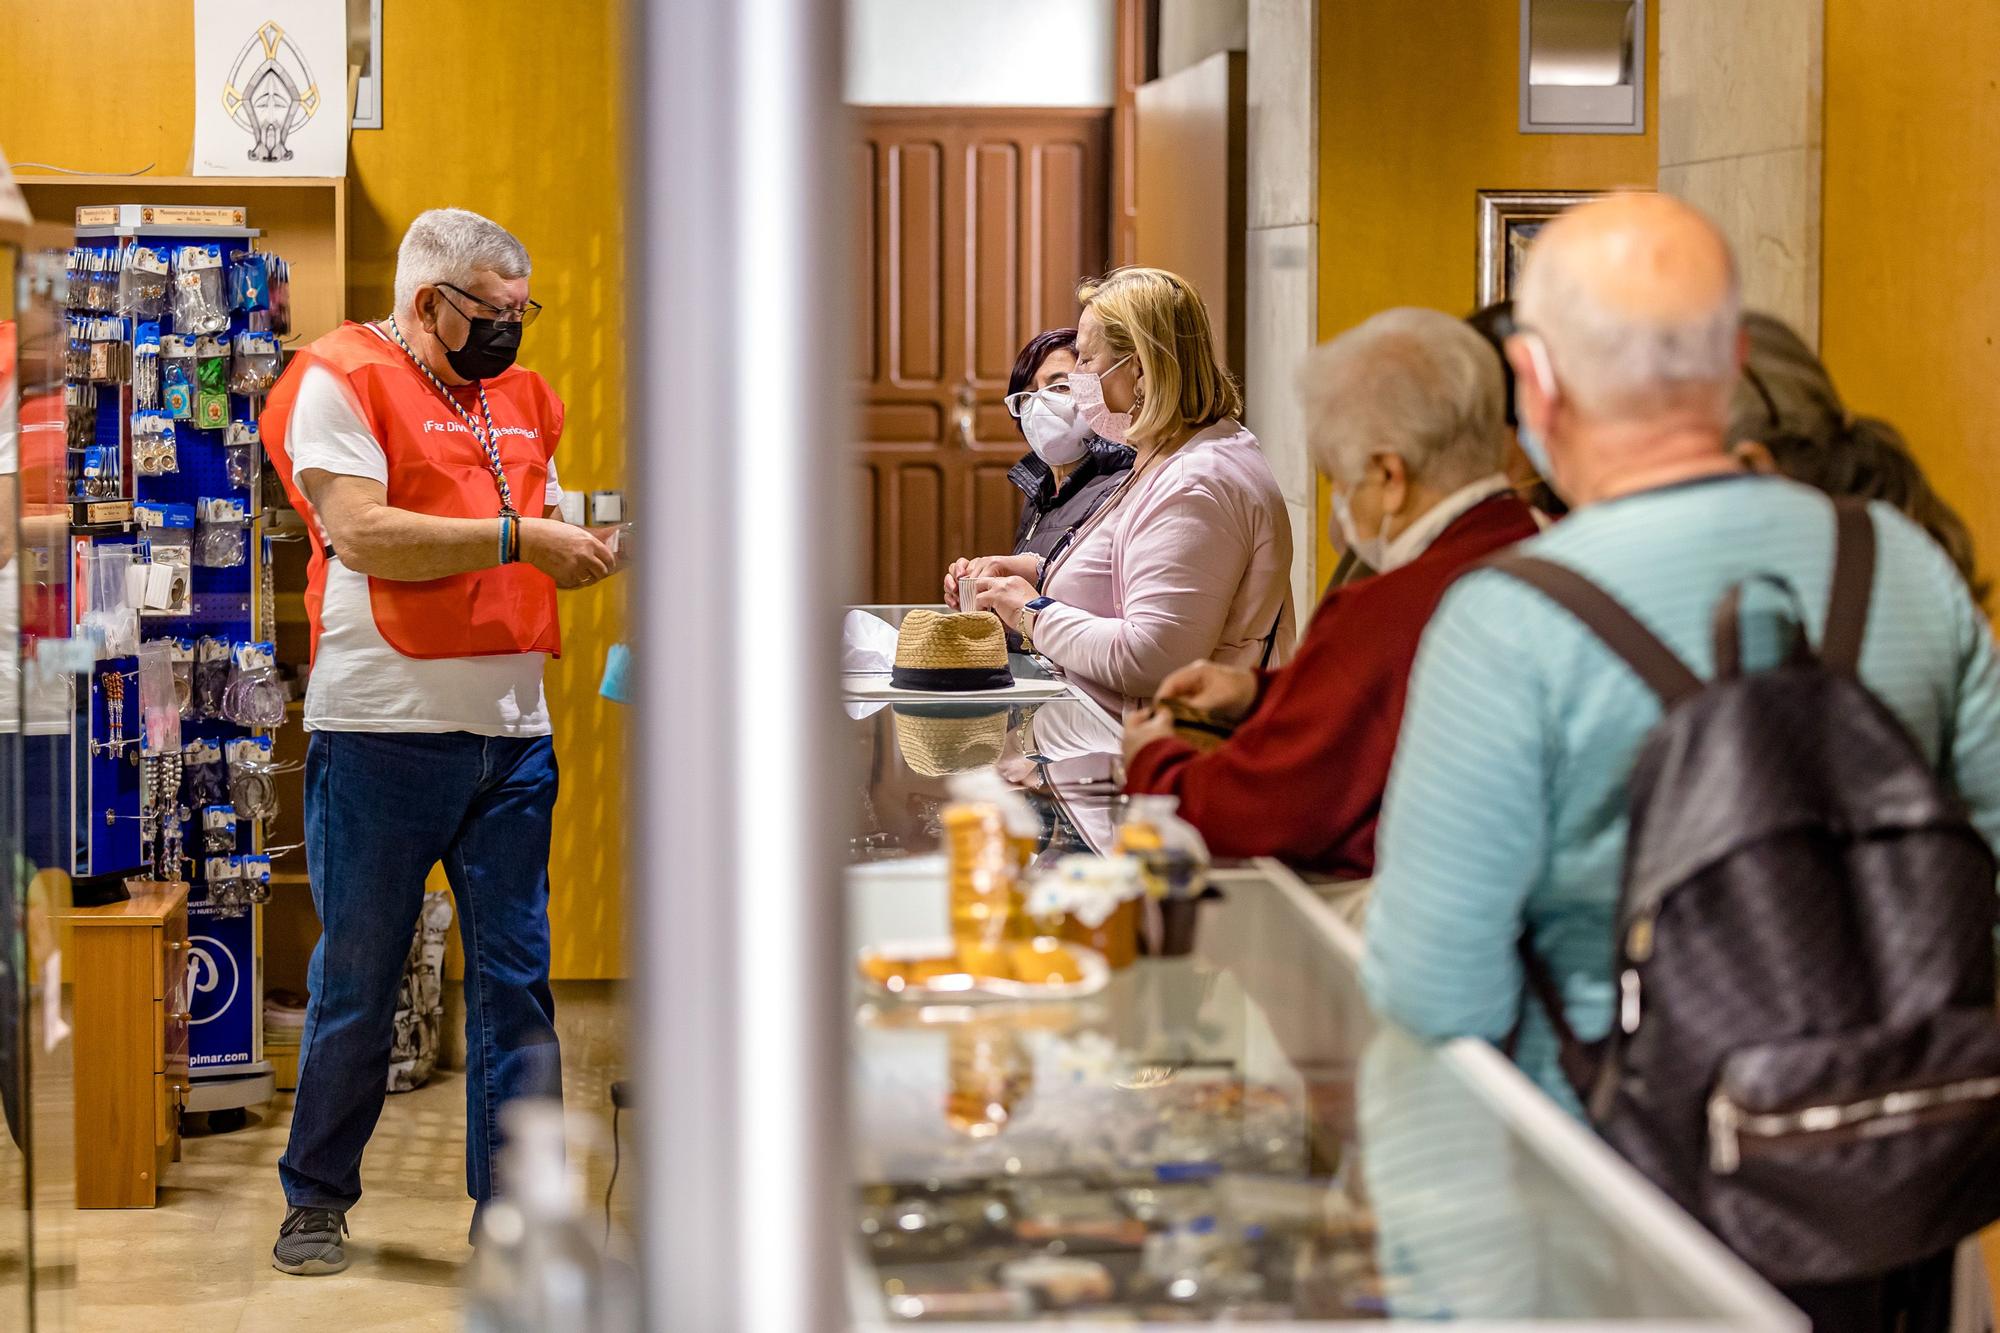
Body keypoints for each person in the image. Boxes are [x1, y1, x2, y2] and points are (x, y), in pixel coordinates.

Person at [1362, 193, 2000, 1330]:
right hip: (1886, 1214)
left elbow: (1432, 988)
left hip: (1610, 1221)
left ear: (1536, 384)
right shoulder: (1896, 560)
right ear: (1731, 363)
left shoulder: (1507, 617)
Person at [258, 208, 625, 1276]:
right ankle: (316, 1199)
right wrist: (521, 538)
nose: (515, 331)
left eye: (525, 311)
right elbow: (363, 533)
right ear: (430, 303)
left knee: (515, 983)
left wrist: (594, 545)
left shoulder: (523, 395)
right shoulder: (337, 378)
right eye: (495, 313)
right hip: (381, 731)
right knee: (358, 981)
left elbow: (540, 519)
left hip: (512, 733)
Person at [1118, 309, 1539, 877]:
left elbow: (1257, 810)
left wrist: (1154, 762)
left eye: (1338, 477)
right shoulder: (1538, 540)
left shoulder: (1387, 608)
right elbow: (1372, 709)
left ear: (1390, 477)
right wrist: (1259, 693)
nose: (1339, 497)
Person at [943, 267, 1294, 711]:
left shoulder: (1194, 483)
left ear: (1141, 369)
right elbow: (1131, 565)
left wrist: (1032, 614)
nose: (1079, 379)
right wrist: (1030, 568)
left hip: (1171, 758)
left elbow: (1152, 658)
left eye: (1087, 361)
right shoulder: (1166, 453)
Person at [1000, 327, 1133, 562]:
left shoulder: (1119, 489)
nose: (1040, 403)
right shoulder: (1040, 491)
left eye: (1060, 387)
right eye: (1028, 394)